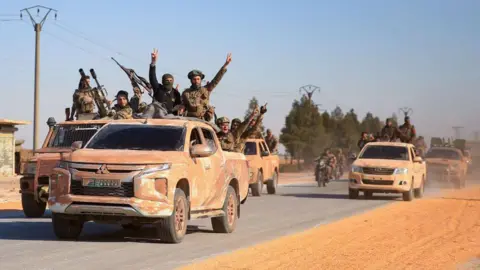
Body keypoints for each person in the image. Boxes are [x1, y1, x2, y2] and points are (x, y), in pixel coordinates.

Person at [182, 53, 232, 121]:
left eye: (198, 79)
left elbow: (216, 80)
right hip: (189, 120)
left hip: (203, 121)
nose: (196, 81)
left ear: (201, 80)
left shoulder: (206, 89)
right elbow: (182, 106)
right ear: (191, 80)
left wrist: (225, 65)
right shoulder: (185, 93)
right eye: (194, 79)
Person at [149, 49, 183, 115]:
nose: (169, 82)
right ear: (163, 81)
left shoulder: (176, 93)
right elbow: (152, 77)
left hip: (170, 120)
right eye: (167, 81)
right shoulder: (158, 88)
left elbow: (178, 107)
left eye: (171, 81)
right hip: (157, 117)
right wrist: (153, 63)